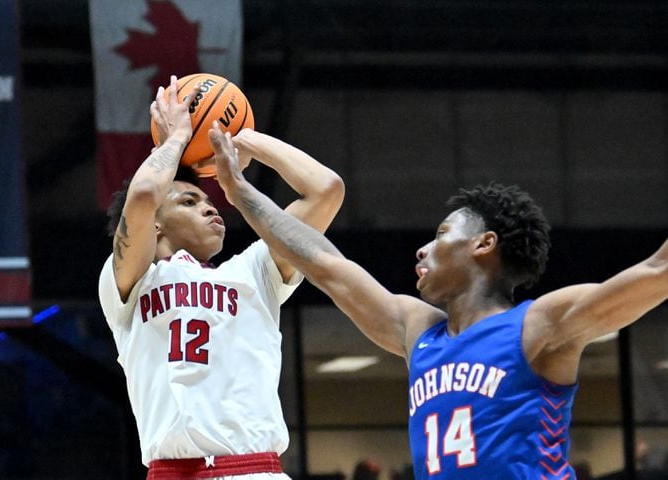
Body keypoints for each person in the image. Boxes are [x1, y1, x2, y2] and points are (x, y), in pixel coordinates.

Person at [206, 126, 668, 479]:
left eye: (442, 234)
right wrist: (241, 192)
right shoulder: (418, 330)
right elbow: (325, 264)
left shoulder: (536, 326)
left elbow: (654, 273)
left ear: (484, 245)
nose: (423, 248)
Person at [97, 75, 344, 479]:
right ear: (154, 226)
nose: (212, 209)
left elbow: (325, 190)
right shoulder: (130, 282)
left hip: (256, 469)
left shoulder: (255, 272)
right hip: (173, 470)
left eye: (211, 201)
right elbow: (143, 196)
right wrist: (175, 140)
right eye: (190, 200)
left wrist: (241, 138)